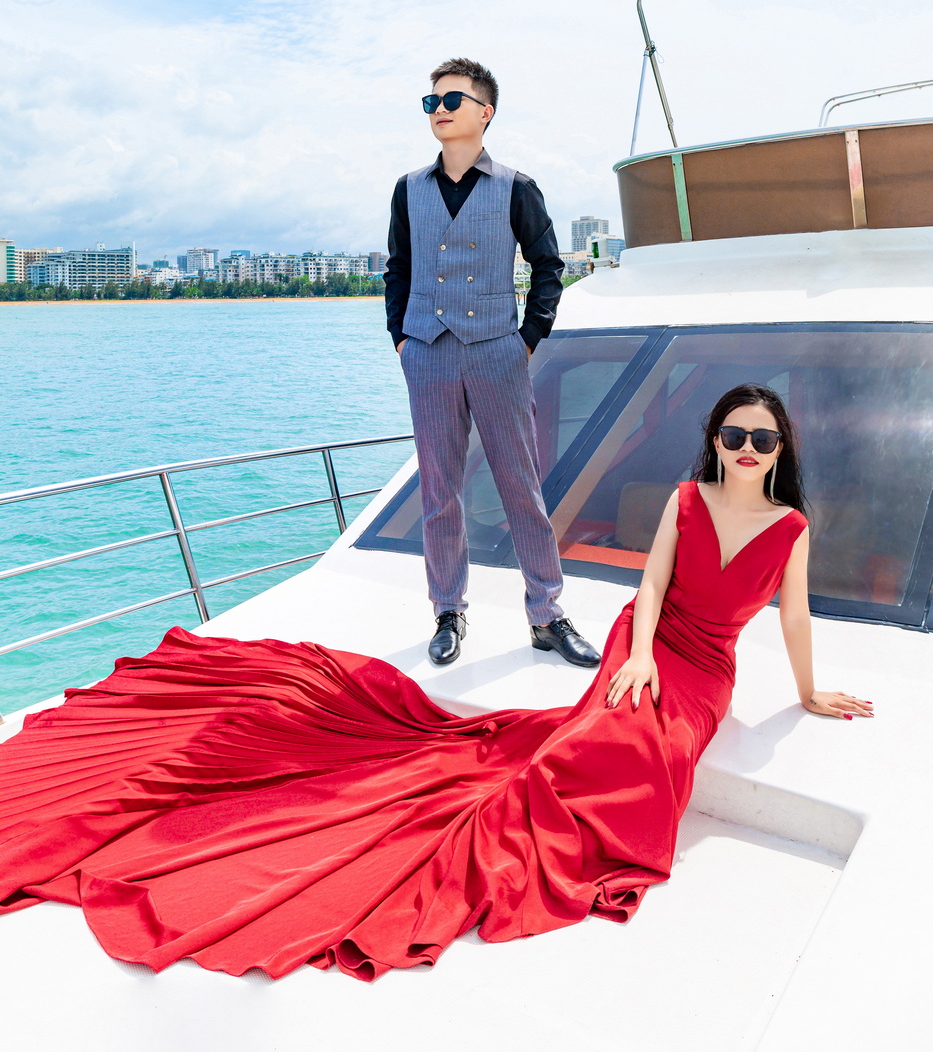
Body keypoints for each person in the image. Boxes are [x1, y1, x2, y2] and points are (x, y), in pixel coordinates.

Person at [0, 384, 872, 982]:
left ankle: (556, 796)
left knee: (655, 743)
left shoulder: (790, 526)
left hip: (707, 666)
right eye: (733, 435)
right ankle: (544, 786)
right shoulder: (685, 498)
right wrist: (637, 653)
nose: (746, 449)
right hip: (647, 642)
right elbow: (648, 588)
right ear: (714, 440)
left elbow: (793, 618)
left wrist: (807, 691)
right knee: (619, 719)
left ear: (779, 449)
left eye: (762, 439)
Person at [384, 56, 600, 669]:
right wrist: (400, 339)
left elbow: (548, 267)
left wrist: (528, 338)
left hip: (498, 353)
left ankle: (546, 615)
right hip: (427, 353)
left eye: (451, 100)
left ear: (486, 112)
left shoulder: (516, 186)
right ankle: (447, 612)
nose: (439, 110)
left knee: (520, 487)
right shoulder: (408, 189)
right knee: (438, 492)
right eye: (431, 102)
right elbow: (398, 269)